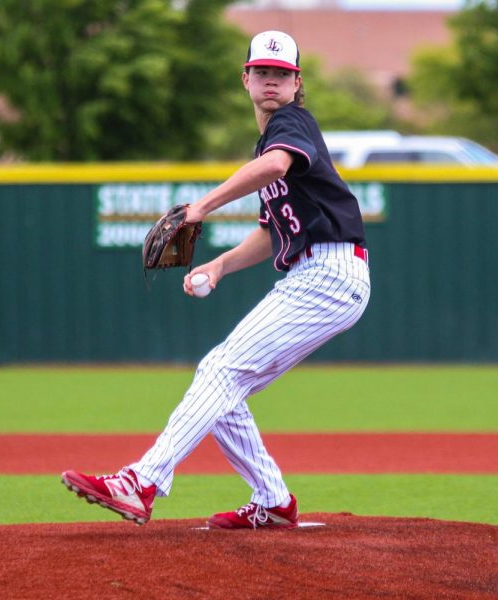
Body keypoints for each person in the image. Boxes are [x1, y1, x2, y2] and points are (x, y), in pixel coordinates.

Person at [61, 31, 371, 529]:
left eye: (283, 74)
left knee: (220, 372)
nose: (272, 81)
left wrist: (200, 206)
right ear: (246, 77)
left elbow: (271, 165)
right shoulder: (273, 137)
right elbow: (274, 233)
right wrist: (221, 265)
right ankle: (273, 500)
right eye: (263, 72)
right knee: (222, 383)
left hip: (329, 272)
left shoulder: (291, 126)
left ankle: (141, 482)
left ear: (297, 83)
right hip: (320, 272)